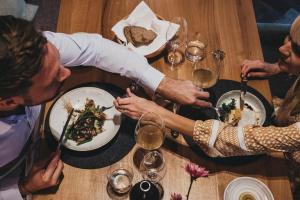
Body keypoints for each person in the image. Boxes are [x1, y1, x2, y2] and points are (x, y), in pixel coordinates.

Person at [0, 15, 211, 199]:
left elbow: (95, 48)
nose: (67, 73)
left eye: (60, 62)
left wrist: (162, 83)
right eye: (54, 79)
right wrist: (22, 188)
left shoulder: (28, 49)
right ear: (8, 102)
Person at [115, 15, 300, 159]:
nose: (282, 49)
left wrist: (156, 113)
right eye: (288, 39)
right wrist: (279, 68)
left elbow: (238, 141)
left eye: (297, 51)